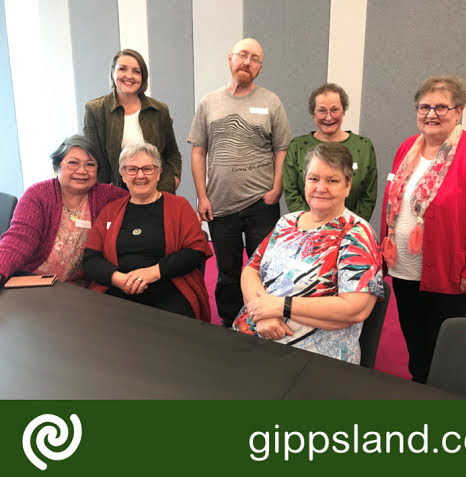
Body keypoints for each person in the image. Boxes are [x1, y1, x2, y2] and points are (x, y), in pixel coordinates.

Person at [380, 75, 466, 383]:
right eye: (424, 106)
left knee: (445, 339)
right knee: (412, 330)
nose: (431, 114)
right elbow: (393, 203)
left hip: (450, 272)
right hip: (404, 266)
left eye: (441, 107)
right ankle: (419, 380)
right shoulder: (408, 148)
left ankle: (443, 389)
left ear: (458, 111)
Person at [233, 142, 384, 364]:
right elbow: (251, 269)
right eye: (314, 179)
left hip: (311, 357)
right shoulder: (287, 222)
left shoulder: (356, 233)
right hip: (256, 334)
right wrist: (262, 313)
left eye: (332, 180)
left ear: (348, 185)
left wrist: (280, 306)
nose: (320, 187)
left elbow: (354, 309)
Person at [187, 38, 291, 328]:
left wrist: (276, 190)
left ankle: (263, 321)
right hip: (220, 206)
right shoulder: (209, 102)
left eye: (255, 58)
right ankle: (229, 323)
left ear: (260, 67)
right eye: (243, 55)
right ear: (230, 59)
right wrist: (201, 196)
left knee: (266, 270)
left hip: (261, 204)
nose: (248, 62)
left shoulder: (271, 102)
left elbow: (282, 149)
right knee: (228, 273)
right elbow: (198, 150)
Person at [83, 142, 212, 321]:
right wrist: (117, 278)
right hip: (118, 288)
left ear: (159, 173)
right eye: (132, 169)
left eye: (147, 169)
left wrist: (153, 272)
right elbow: (91, 258)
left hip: (169, 287)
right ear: (122, 174)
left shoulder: (179, 206)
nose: (140, 175)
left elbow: (196, 251)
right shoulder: (110, 211)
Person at [0, 135, 127, 287]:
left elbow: (140, 198)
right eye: (73, 163)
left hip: (80, 289)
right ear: (57, 166)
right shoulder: (38, 195)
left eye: (90, 164)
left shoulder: (106, 196)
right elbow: (19, 239)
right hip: (34, 282)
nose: (82, 170)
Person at [84, 49, 181, 193]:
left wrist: (169, 184)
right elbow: (94, 160)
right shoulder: (95, 110)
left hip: (156, 193)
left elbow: (171, 154)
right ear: (113, 73)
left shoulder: (159, 110)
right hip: (114, 195)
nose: (129, 76)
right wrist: (105, 195)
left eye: (136, 71)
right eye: (122, 69)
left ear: (143, 77)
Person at [283, 83, 377, 221]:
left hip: (350, 230)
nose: (328, 117)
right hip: (308, 229)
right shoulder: (297, 147)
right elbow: (291, 192)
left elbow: (368, 194)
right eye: (322, 111)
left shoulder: (363, 146)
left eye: (335, 110)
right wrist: (312, 225)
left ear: (344, 111)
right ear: (313, 114)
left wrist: (349, 227)